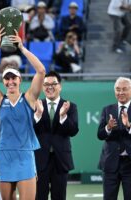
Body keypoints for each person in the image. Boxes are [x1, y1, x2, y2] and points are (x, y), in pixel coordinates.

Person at [0, 24, 45, 200]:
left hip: (25, 154)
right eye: (7, 78)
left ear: (19, 80)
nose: (10, 81)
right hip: (4, 155)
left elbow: (41, 71)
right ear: (3, 82)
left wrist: (22, 48)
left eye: (13, 78)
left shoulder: (30, 98)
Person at [97, 77, 131, 200]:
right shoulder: (107, 109)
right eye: (118, 89)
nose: (120, 93)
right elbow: (100, 135)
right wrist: (108, 127)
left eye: (124, 89)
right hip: (110, 162)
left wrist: (129, 126)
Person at [33, 71, 79, 200]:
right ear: (42, 87)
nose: (50, 87)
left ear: (60, 86)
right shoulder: (36, 105)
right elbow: (30, 130)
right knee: (39, 196)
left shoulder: (70, 107)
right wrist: (38, 114)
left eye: (53, 84)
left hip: (61, 160)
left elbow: (73, 131)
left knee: (59, 197)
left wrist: (63, 116)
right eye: (46, 84)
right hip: (40, 159)